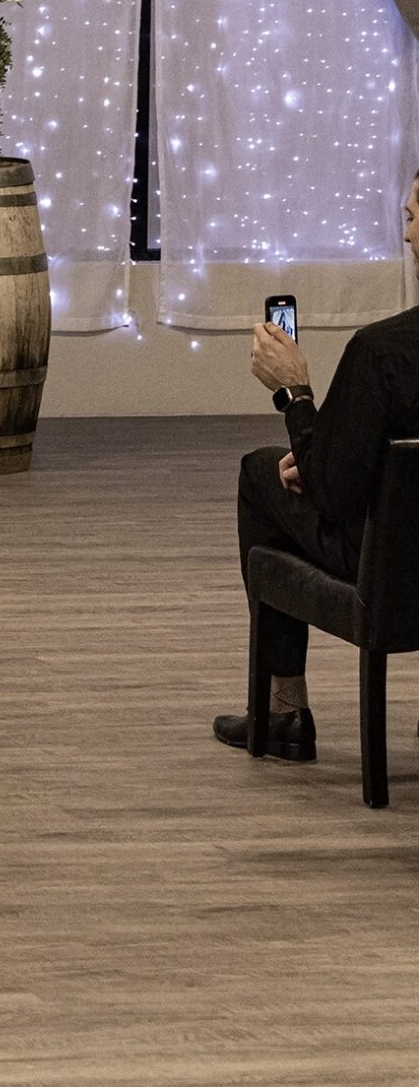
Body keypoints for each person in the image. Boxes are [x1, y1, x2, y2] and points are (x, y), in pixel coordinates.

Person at [212, 172, 419, 763]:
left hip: (394, 569)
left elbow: (333, 497)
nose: (407, 235)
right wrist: (320, 453)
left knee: (259, 473)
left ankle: (283, 712)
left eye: (411, 217)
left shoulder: (382, 352)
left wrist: (295, 396)